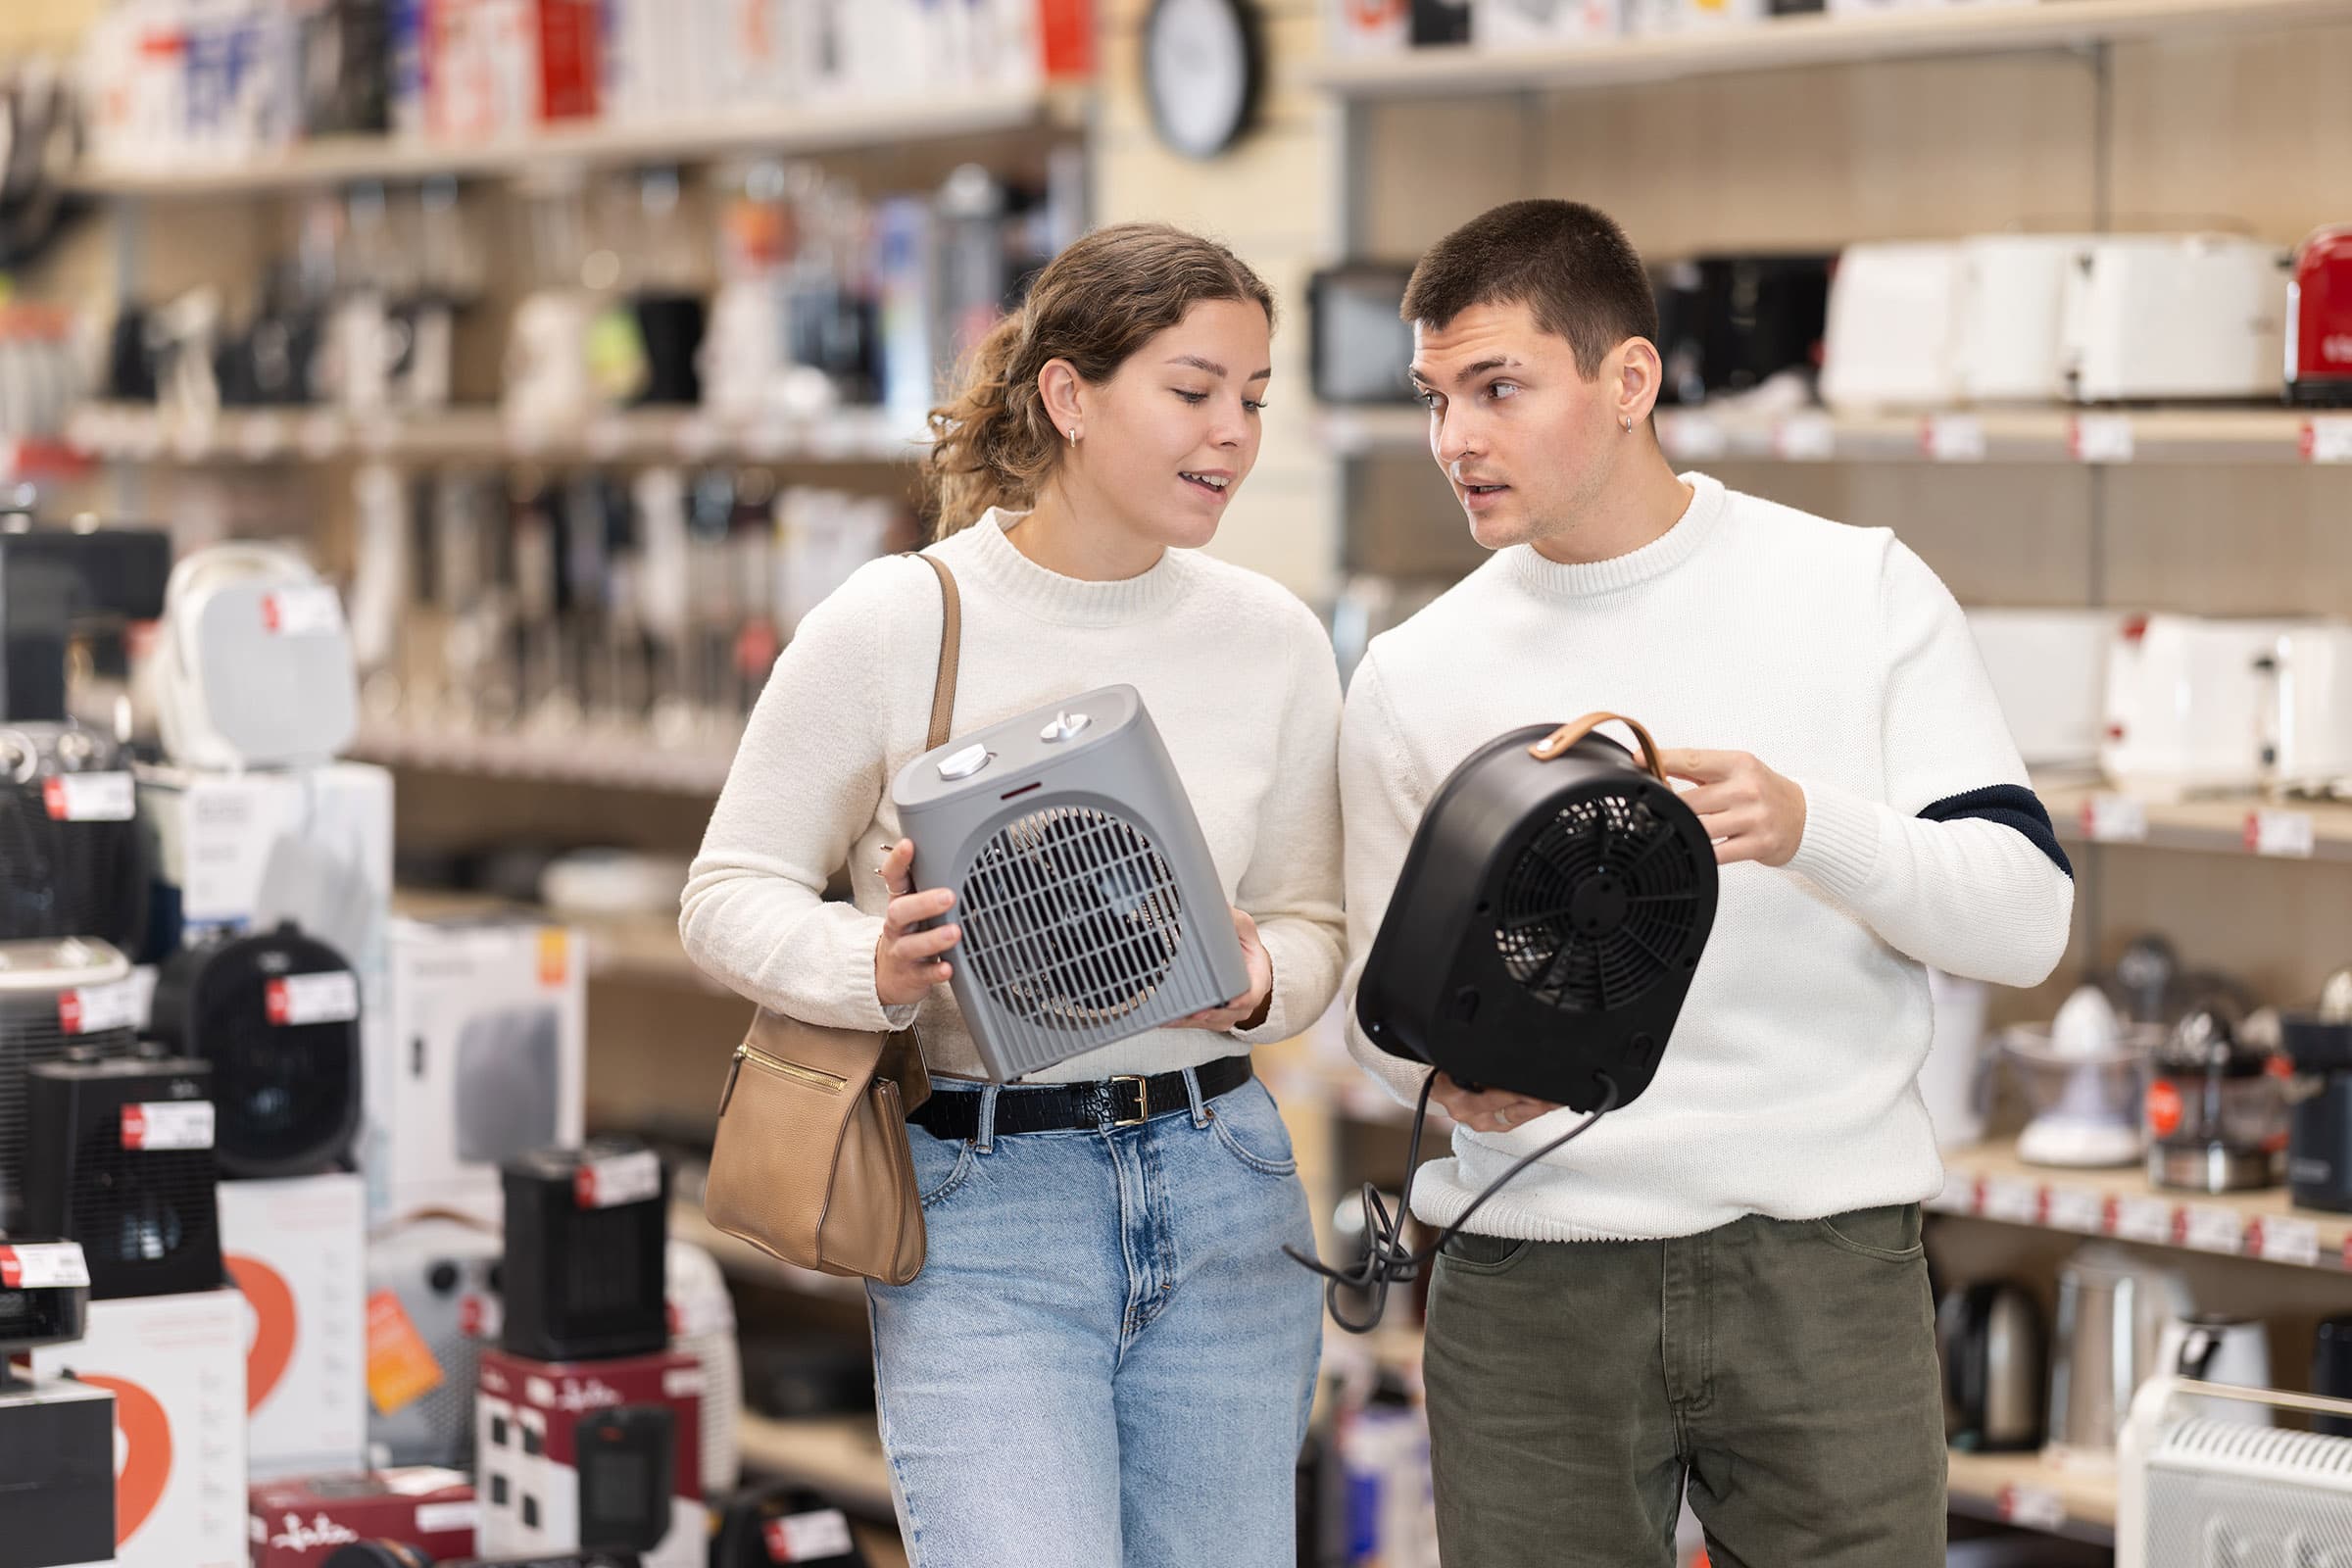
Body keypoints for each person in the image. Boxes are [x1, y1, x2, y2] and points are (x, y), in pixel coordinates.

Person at [1337, 199, 2075, 1567]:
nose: (1457, 441)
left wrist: (1808, 827)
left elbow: (2027, 918)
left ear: (1630, 380)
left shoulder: (1858, 591)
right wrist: (1445, 1084)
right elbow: (1372, 1008)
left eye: (1498, 387)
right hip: (1529, 1272)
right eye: (1436, 398)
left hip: (1825, 1270)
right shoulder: (1412, 674)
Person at [681, 222, 1343, 1568]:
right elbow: (725, 894)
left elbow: (1319, 924)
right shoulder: (894, 621)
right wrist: (877, 962)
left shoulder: (1272, 639)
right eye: (1194, 389)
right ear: (1068, 394)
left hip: (1224, 1183)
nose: (1234, 431)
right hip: (987, 1197)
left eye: (1256, 399)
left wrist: (1260, 977)